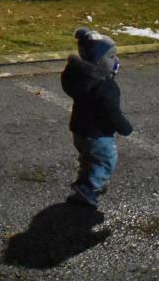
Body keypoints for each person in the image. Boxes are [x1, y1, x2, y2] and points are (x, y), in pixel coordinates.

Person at [61, 28, 132, 208]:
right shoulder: (106, 87)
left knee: (88, 159)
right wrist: (125, 128)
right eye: (111, 57)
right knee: (106, 160)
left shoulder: (78, 77)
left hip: (79, 131)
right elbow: (112, 113)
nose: (116, 60)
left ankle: (85, 182)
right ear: (97, 61)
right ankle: (89, 188)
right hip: (99, 135)